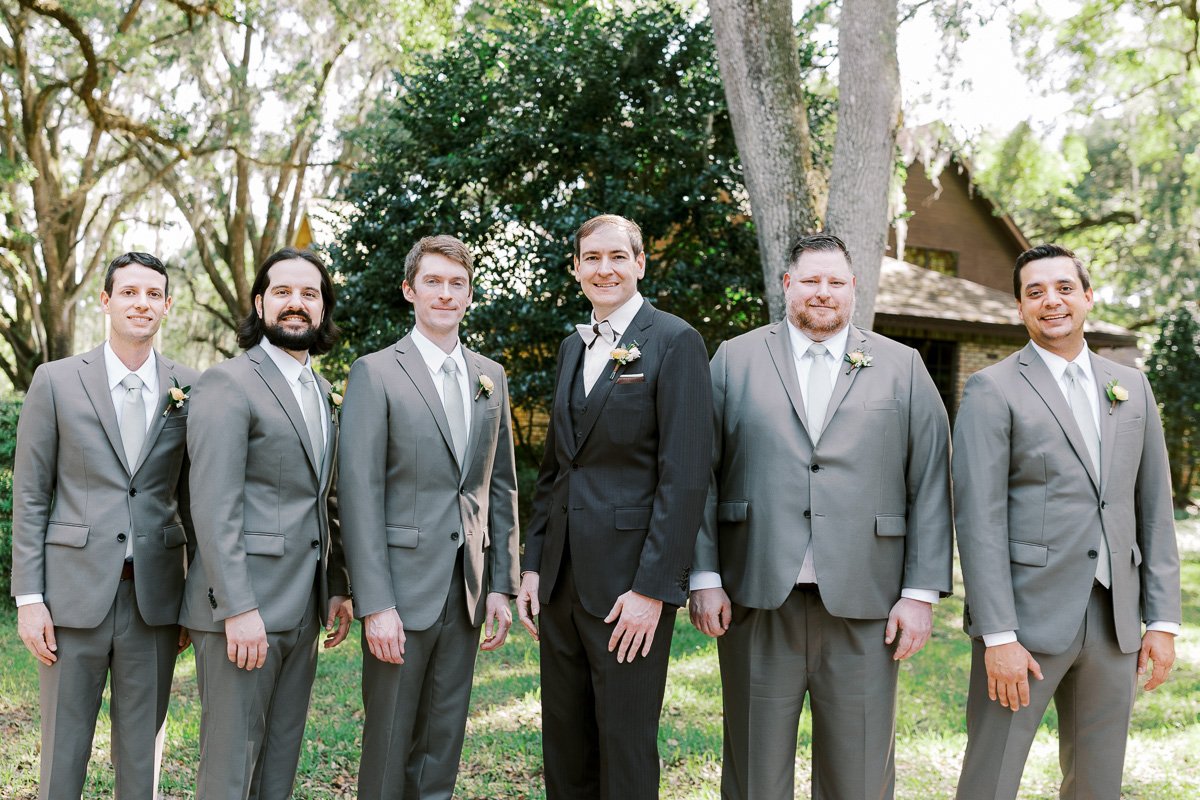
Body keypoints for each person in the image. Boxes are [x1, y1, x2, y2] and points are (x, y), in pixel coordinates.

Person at [689, 232, 953, 799]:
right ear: (787, 285)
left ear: (854, 289)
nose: (822, 292)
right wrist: (705, 577)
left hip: (868, 601)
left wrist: (920, 593)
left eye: (835, 282)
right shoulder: (734, 359)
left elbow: (931, 481)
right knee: (754, 771)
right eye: (810, 280)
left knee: (858, 776)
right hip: (755, 595)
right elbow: (698, 475)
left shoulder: (902, 367)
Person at [953, 243, 1181, 799]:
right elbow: (977, 519)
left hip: (1115, 622)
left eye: (1063, 289)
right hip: (1026, 622)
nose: (1051, 302)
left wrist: (1163, 621)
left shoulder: (1132, 387)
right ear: (1020, 307)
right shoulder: (992, 388)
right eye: (1035, 292)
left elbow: (1153, 508)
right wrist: (998, 635)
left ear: (1087, 297)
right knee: (991, 777)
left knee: (1098, 782)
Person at [515, 214, 712, 799]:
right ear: (576, 269)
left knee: (624, 753)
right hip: (561, 584)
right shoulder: (573, 347)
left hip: (630, 591)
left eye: (617, 257)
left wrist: (653, 589)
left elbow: (685, 477)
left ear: (640, 264)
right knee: (566, 748)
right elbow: (557, 468)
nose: (605, 269)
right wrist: (533, 563)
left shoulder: (675, 341)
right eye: (592, 258)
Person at [338, 235, 520, 799]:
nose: (445, 294)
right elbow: (357, 494)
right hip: (400, 591)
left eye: (457, 284)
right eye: (434, 282)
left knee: (443, 745)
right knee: (390, 745)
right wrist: (376, 604)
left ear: (469, 295)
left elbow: (501, 485)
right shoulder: (376, 372)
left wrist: (501, 585)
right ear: (409, 290)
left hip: (464, 592)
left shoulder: (491, 376)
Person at [11, 251, 198, 798]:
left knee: (143, 753)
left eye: (153, 294)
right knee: (63, 750)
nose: (142, 303)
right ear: (106, 301)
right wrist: (29, 598)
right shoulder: (56, 381)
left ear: (166, 305)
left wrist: (194, 597)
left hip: (155, 599)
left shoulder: (190, 386)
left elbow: (195, 499)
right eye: (130, 292)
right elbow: (31, 492)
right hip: (71, 599)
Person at [180, 247, 353, 800]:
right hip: (244, 610)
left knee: (278, 768)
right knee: (230, 773)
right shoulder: (227, 383)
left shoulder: (321, 391)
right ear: (260, 302)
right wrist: (238, 609)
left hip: (301, 609)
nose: (295, 304)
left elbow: (320, 497)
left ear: (322, 309)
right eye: (282, 292)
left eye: (310, 294)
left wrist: (336, 588)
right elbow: (212, 504)